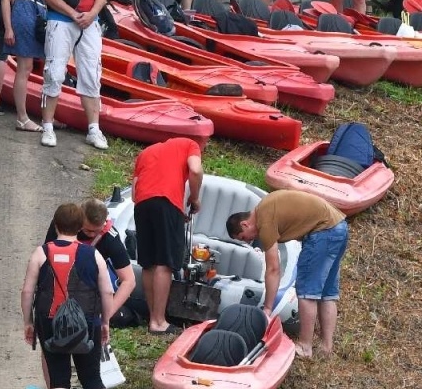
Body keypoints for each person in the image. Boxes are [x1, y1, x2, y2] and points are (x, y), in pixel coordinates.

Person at [21, 202, 116, 389]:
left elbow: (28, 290)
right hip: (87, 322)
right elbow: (107, 290)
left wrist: (28, 322)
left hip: (51, 321)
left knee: (59, 378)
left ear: (55, 225)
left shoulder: (42, 253)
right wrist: (105, 321)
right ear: (80, 227)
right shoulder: (93, 255)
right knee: (92, 378)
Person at [227, 191, 347, 359]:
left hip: (322, 233)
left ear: (245, 224)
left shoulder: (264, 220)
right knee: (327, 293)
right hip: (339, 226)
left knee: (306, 291)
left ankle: (305, 347)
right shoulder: (266, 206)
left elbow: (274, 269)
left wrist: (267, 308)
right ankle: (326, 347)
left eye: (243, 238)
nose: (247, 241)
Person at [38, 0, 109, 150]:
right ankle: (47, 125)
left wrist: (91, 15)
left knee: (91, 73)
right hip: (61, 21)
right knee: (55, 71)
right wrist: (72, 13)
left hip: (89, 22)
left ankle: (94, 128)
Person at [131, 136, 204, 335]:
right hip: (166, 201)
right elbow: (196, 170)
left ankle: (152, 316)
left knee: (149, 262)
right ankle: (159, 321)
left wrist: (176, 216)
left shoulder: (147, 151)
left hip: (142, 205)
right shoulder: (191, 145)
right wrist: (194, 198)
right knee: (166, 262)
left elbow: (134, 191)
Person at [3, 0, 49, 132]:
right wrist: (8, 28)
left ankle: (46, 114)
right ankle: (22, 116)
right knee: (25, 67)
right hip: (23, 13)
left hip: (43, 15)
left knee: (49, 67)